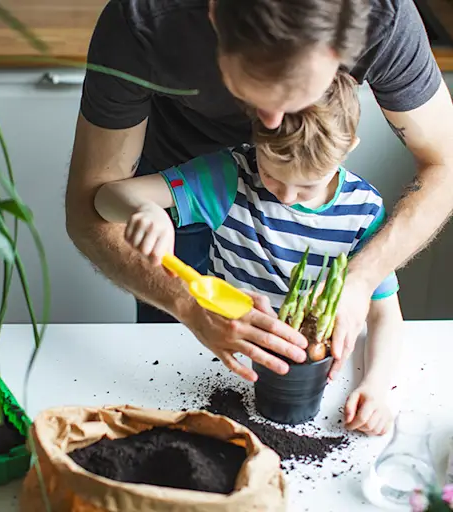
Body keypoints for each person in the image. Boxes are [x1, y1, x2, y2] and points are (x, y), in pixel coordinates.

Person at [65, 0, 453, 380]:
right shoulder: (145, 19)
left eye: (298, 98)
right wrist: (184, 303)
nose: (267, 125)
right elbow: (90, 206)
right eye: (253, 95)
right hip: (179, 186)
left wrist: (362, 279)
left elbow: (446, 166)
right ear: (215, 12)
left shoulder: (384, 17)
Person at [94, 71, 403, 436]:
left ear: (349, 145)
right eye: (273, 176)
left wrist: (376, 388)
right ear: (256, 136)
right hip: (223, 362)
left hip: (322, 387)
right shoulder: (230, 177)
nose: (286, 197)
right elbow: (105, 198)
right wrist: (144, 210)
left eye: (306, 185)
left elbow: (386, 317)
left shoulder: (363, 212)